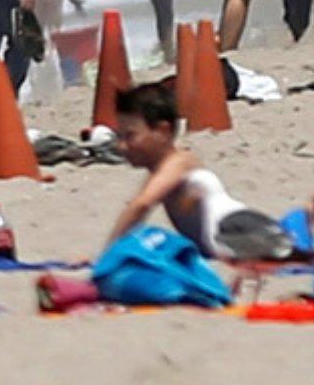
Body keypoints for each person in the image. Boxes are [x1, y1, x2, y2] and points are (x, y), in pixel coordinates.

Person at [106, 79, 291, 260]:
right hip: (227, 239)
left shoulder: (179, 161)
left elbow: (141, 206)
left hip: (239, 229)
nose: (121, 146)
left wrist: (107, 256)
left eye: (130, 136)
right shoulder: (159, 170)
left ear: (163, 130)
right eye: (119, 136)